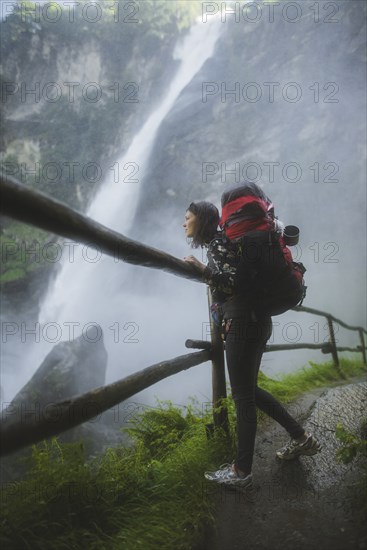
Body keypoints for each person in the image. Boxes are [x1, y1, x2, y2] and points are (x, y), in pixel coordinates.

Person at [183, 198, 321, 489]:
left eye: (188, 217)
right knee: (250, 391)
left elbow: (234, 284)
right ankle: (302, 438)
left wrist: (203, 270)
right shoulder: (225, 243)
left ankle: (241, 471)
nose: (184, 223)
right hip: (256, 320)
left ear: (203, 221)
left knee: (243, 397)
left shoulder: (217, 245)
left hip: (242, 322)